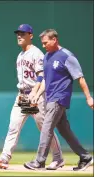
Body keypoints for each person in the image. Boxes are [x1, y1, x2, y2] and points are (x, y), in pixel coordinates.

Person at [0, 24, 64, 170]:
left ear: (31, 36)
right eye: (18, 33)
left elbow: (42, 76)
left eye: (23, 33)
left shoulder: (36, 54)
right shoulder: (20, 55)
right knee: (13, 127)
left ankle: (58, 158)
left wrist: (35, 94)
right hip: (22, 96)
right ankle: (4, 158)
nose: (19, 36)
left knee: (45, 129)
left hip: (35, 96)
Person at [24, 29, 94, 171]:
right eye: (42, 43)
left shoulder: (66, 56)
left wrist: (88, 97)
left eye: (46, 43)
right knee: (64, 130)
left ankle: (39, 161)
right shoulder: (47, 57)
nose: (43, 46)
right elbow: (45, 79)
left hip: (59, 97)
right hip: (50, 97)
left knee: (46, 127)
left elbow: (80, 78)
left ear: (54, 39)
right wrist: (37, 94)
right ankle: (85, 157)